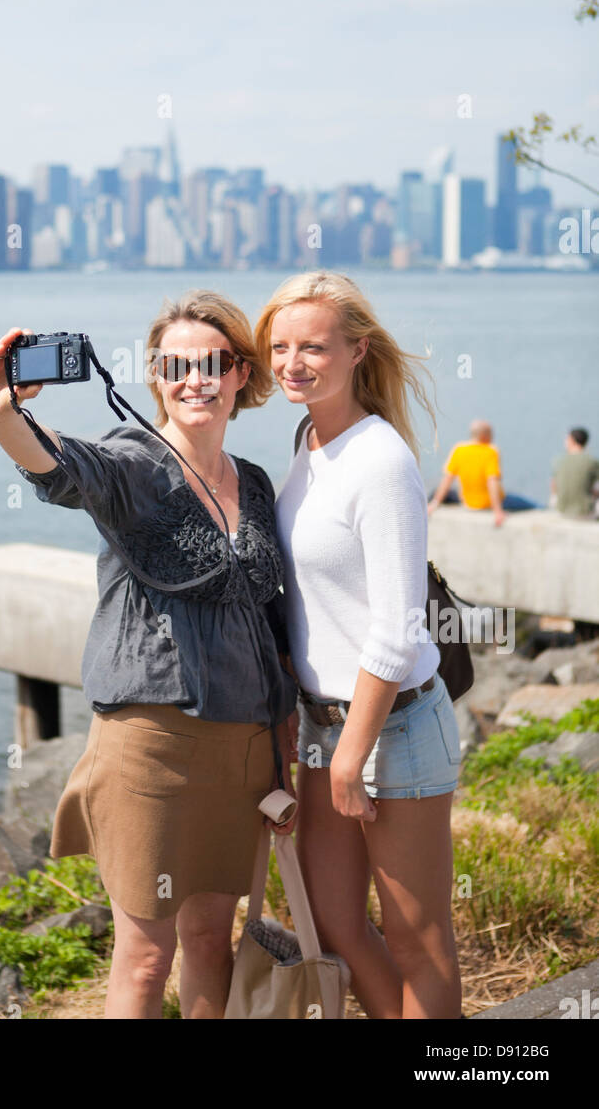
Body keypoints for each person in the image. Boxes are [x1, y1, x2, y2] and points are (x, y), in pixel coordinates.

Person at [0, 292, 297, 1020]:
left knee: (213, 939)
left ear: (240, 374)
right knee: (147, 958)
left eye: (213, 364)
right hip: (152, 748)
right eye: (176, 366)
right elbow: (63, 469)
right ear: (154, 375)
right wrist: (3, 414)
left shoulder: (253, 481)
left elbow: (269, 618)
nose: (195, 380)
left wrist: (286, 738)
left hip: (245, 749)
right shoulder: (133, 464)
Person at [256, 271, 462, 1019]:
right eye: (279, 347)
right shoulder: (309, 440)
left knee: (420, 942)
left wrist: (353, 751)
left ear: (357, 351)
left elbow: (398, 625)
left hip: (394, 725)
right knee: (335, 921)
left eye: (313, 347)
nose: (292, 363)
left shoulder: (379, 460)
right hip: (323, 724)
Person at [550, 428, 599, 519]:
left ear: (571, 440)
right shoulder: (592, 462)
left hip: (561, 510)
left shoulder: (559, 461)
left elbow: (553, 486)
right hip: (585, 512)